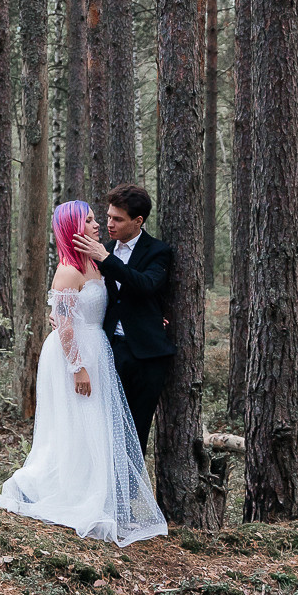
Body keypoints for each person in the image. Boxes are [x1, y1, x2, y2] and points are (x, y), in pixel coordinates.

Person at [0, 202, 167, 545]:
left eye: (95, 218)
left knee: (96, 426)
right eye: (89, 220)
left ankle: (98, 491)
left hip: (99, 349)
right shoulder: (69, 270)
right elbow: (66, 326)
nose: (97, 224)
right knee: (76, 423)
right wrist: (77, 368)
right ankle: (52, 488)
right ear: (73, 227)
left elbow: (123, 300)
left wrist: (151, 319)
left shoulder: (97, 263)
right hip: (76, 356)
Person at [72, 184, 174, 451]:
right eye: (108, 217)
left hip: (148, 356)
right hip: (109, 351)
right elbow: (91, 295)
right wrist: (64, 316)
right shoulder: (102, 251)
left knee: (136, 432)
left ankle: (127, 492)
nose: (109, 224)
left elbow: (146, 285)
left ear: (137, 221)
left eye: (118, 219)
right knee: (105, 428)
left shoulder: (158, 251)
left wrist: (106, 259)